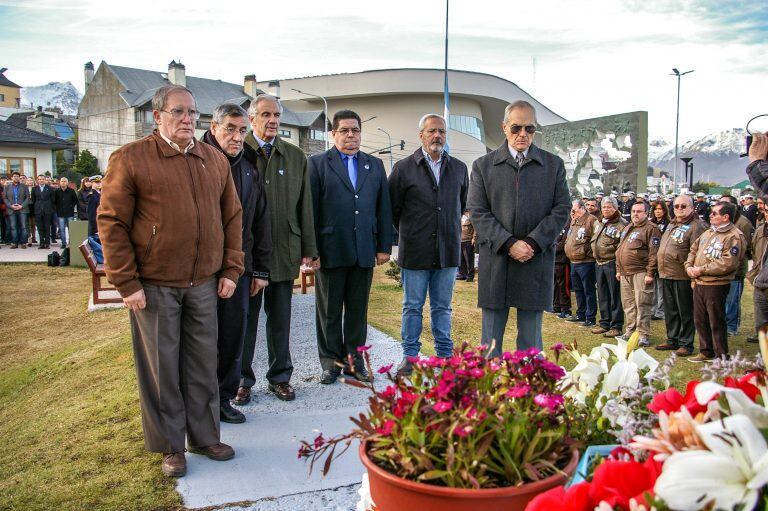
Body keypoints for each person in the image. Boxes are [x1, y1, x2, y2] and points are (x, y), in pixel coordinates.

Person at [98, 84, 244, 477]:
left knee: (201, 364)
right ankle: (170, 446)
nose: (186, 119)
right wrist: (126, 282)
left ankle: (204, 436)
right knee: (162, 368)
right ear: (157, 116)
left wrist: (231, 269)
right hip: (154, 284)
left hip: (204, 283)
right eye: (178, 112)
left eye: (191, 112)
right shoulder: (131, 159)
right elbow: (111, 222)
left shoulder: (212, 160)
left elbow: (232, 217)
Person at [468, 100, 570, 356]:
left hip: (535, 261)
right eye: (516, 128)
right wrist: (509, 243)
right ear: (504, 127)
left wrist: (533, 243)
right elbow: (478, 211)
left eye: (529, 129)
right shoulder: (483, 166)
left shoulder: (553, 165)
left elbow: (561, 209)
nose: (523, 134)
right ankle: (489, 393)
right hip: (497, 260)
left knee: (531, 342)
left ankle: (529, 392)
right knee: (490, 345)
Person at [238, 94, 317, 404]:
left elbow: (305, 206)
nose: (272, 120)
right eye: (266, 114)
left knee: (281, 319)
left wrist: (308, 249)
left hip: (284, 251)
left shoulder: (295, 156)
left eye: (276, 115)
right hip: (247, 255)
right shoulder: (237, 151)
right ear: (252, 118)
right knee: (245, 321)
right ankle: (242, 380)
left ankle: (280, 377)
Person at [310, 109, 392, 383]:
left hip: (363, 250)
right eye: (344, 130)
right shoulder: (318, 164)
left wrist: (384, 246)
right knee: (330, 312)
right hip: (330, 250)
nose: (350, 135)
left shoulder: (374, 165)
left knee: (357, 312)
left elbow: (384, 208)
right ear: (333, 134)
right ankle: (331, 363)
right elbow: (311, 210)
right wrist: (312, 251)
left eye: (355, 130)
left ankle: (354, 361)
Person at [202, 103, 272, 424]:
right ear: (213, 126)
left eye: (242, 130)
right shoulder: (196, 160)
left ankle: (224, 398)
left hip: (239, 268)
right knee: (202, 338)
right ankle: (200, 402)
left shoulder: (248, 166)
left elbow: (260, 221)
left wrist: (260, 269)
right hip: (201, 269)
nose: (236, 137)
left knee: (233, 335)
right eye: (230, 128)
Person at [389, 113, 467, 374]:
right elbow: (393, 210)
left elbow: (461, 205)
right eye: (432, 131)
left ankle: (445, 358)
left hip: (447, 252)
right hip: (415, 253)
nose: (437, 136)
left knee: (442, 308)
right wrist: (412, 233)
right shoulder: (403, 168)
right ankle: (410, 359)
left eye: (442, 131)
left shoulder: (458, 168)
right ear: (421, 135)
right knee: (412, 307)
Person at [685, 201, 746, 361]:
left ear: (725, 217)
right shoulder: (709, 232)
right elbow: (694, 249)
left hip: (716, 285)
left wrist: (701, 269)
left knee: (716, 320)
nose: (710, 215)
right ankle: (706, 351)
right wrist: (689, 266)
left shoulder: (733, 236)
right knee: (700, 319)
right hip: (699, 282)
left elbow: (728, 263)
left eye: (715, 213)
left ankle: (721, 355)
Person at [654, 195, 707, 355]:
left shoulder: (696, 226)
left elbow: (698, 253)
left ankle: (686, 343)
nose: (679, 209)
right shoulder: (672, 223)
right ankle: (672, 339)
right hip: (666, 274)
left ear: (692, 207)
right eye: (676, 206)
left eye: (683, 206)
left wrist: (693, 276)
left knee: (685, 311)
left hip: (682, 276)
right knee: (670, 310)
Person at [615, 201, 661, 347]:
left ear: (646, 213)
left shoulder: (651, 229)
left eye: (639, 211)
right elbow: (620, 249)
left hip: (641, 271)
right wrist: (618, 270)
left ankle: (643, 334)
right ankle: (630, 331)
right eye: (634, 211)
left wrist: (650, 273)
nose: (635, 214)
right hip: (624, 272)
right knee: (628, 304)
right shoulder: (629, 227)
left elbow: (654, 253)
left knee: (642, 303)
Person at [591, 196, 627, 338]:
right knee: (602, 294)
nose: (606, 209)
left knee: (615, 295)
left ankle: (616, 325)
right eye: (604, 207)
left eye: (609, 207)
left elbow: (621, 247)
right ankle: (604, 323)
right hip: (599, 262)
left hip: (612, 262)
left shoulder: (622, 224)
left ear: (615, 208)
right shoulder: (599, 222)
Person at [719, 195, 753, 336]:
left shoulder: (743, 223)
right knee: (722, 300)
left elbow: (750, 246)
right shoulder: (720, 222)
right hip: (721, 269)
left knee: (732, 300)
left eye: (724, 203)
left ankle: (732, 327)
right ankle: (722, 326)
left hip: (736, 269)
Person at [564, 199, 599, 327]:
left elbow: (595, 240)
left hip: (586, 262)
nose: (572, 212)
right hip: (573, 261)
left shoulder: (591, 220)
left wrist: (587, 252)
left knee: (588, 290)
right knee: (578, 290)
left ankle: (590, 317)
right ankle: (581, 314)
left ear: (582, 208)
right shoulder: (574, 220)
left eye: (574, 209)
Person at [649, 200, 671, 320]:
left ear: (664, 210)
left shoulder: (668, 223)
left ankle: (660, 310)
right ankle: (652, 309)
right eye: (656, 209)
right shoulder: (650, 223)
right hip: (652, 256)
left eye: (660, 209)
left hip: (663, 257)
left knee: (661, 287)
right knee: (652, 286)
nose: (658, 211)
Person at [3, 171, 29, 249]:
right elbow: (5, 198)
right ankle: (14, 243)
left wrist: (21, 206)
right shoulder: (7, 187)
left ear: (19, 178)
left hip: (22, 209)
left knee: (23, 226)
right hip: (11, 209)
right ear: (12, 178)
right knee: (13, 226)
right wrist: (11, 206)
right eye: (14, 176)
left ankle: (23, 243)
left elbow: (27, 198)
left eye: (17, 176)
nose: (16, 178)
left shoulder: (24, 186)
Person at [553, 218, 572, 319]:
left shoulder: (569, 224)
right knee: (555, 284)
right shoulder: (556, 222)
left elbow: (564, 241)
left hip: (562, 259)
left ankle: (566, 309)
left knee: (563, 285)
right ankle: (556, 305)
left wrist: (552, 249)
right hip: (554, 259)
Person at [52, 177, 77, 248]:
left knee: (71, 229)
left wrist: (71, 206)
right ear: (60, 182)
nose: (63, 182)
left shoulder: (71, 191)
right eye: (62, 181)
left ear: (67, 183)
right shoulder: (56, 191)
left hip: (70, 213)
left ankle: (71, 243)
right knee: (62, 229)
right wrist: (57, 209)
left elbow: (75, 200)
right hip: (60, 213)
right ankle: (63, 243)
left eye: (65, 181)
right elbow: (54, 201)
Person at [31, 174, 54, 249]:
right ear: (37, 180)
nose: (41, 180)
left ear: (45, 180)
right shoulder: (34, 189)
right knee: (40, 227)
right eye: (40, 179)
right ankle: (41, 243)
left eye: (42, 179)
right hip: (38, 210)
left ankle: (47, 243)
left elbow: (52, 200)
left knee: (47, 227)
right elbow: (33, 200)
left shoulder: (50, 188)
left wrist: (51, 209)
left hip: (47, 210)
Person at [457, 209, 476, 282]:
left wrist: (474, 238)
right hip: (460, 240)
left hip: (468, 240)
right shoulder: (461, 217)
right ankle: (462, 274)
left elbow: (475, 229)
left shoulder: (471, 217)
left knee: (469, 259)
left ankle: (470, 276)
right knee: (461, 259)